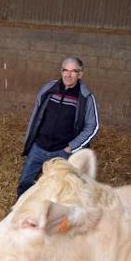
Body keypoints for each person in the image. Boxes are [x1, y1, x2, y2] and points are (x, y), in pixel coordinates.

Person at [16, 56, 99, 197]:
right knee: (25, 182)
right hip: (38, 147)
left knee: (58, 190)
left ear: (80, 74)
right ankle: (19, 213)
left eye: (73, 71)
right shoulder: (49, 88)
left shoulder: (85, 98)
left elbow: (93, 126)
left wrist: (71, 146)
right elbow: (36, 114)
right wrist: (31, 140)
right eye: (65, 70)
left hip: (62, 152)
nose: (68, 75)